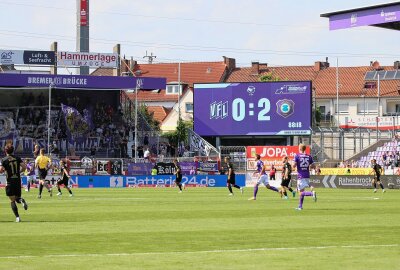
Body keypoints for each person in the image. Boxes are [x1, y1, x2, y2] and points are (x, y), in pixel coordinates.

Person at [0, 144, 29, 222]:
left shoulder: (4, 160)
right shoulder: (17, 158)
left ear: (5, 151)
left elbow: (1, 170)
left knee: (12, 200)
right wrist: (19, 172)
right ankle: (21, 200)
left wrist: (4, 170)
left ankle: (17, 217)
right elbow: (24, 167)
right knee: (17, 199)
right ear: (13, 150)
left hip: (9, 181)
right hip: (17, 180)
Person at [293, 143, 316, 211]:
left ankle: (312, 193)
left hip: (301, 176)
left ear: (300, 148)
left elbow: (293, 165)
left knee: (300, 192)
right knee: (302, 192)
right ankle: (300, 206)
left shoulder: (297, 156)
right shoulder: (309, 156)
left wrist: (295, 165)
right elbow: (313, 166)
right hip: (307, 175)